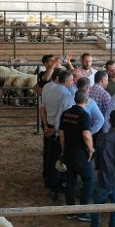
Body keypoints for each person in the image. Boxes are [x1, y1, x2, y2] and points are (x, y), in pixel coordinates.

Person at [59, 90, 95, 222]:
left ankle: (70, 210)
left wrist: (63, 150)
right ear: (86, 101)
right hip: (80, 153)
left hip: (68, 151)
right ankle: (83, 211)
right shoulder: (84, 115)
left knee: (71, 180)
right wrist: (91, 149)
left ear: (75, 99)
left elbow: (61, 135)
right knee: (89, 179)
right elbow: (86, 135)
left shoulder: (65, 114)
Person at [40, 69, 73, 199]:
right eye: (71, 80)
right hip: (58, 129)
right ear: (66, 81)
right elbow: (62, 114)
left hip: (49, 125)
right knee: (58, 158)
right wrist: (56, 129)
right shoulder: (66, 94)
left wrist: (46, 126)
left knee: (49, 155)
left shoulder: (50, 89)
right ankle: (56, 185)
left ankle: (48, 181)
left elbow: (43, 108)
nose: (72, 82)